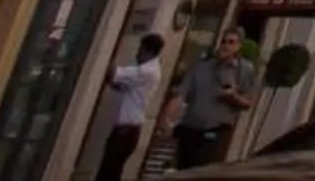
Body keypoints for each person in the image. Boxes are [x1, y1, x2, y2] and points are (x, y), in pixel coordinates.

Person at [169, 29, 256, 169]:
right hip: (190, 127)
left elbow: (248, 103)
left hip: (216, 129)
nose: (226, 46)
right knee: (183, 168)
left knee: (203, 168)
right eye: (224, 41)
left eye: (231, 42)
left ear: (238, 46)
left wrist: (233, 96)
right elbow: (181, 93)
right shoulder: (202, 66)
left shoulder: (244, 70)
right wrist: (168, 118)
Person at [94, 34, 163, 181]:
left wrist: (106, 49)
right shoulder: (150, 71)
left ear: (147, 51)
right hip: (126, 131)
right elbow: (120, 85)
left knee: (109, 172)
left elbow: (114, 73)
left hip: (126, 131)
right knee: (111, 171)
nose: (137, 54)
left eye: (140, 50)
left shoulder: (147, 71)